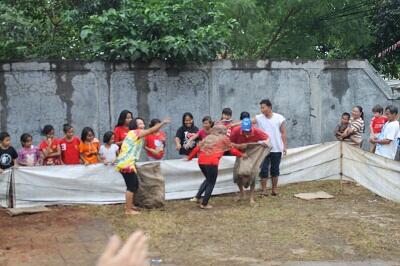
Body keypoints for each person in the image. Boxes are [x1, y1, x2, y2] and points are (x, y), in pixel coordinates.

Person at [116, 117, 170, 215]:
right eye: (140, 124)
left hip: (127, 163)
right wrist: (163, 123)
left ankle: (129, 205)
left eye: (142, 123)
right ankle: (128, 210)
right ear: (135, 126)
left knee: (133, 185)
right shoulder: (136, 132)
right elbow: (151, 130)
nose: (143, 125)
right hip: (126, 164)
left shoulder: (134, 134)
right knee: (132, 186)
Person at [187, 125, 243, 209]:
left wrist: (189, 158)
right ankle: (204, 204)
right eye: (225, 130)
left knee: (208, 179)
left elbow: (197, 148)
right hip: (211, 162)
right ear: (221, 131)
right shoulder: (224, 138)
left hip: (201, 161)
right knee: (211, 182)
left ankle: (197, 197)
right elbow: (232, 150)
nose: (226, 132)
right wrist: (242, 155)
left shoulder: (208, 137)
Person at [230, 118, 270, 203]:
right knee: (237, 174)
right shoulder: (235, 131)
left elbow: (267, 138)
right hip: (240, 153)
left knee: (253, 174)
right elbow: (229, 144)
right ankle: (242, 193)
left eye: (248, 131)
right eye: (244, 131)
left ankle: (251, 196)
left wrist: (265, 142)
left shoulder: (256, 131)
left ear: (251, 127)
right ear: (241, 128)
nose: (246, 133)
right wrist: (239, 146)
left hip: (253, 154)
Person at [253, 99, 287, 197]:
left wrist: (284, 146)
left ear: (269, 107)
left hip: (276, 148)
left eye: (263, 107)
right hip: (263, 148)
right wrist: (232, 124)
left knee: (275, 170)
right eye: (261, 108)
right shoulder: (259, 118)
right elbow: (248, 122)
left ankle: (274, 190)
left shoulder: (279, 118)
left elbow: (283, 133)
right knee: (263, 170)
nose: (262, 110)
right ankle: (264, 190)